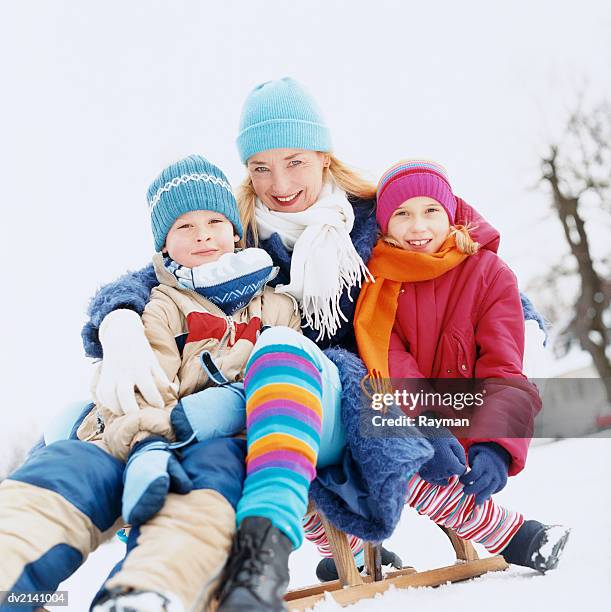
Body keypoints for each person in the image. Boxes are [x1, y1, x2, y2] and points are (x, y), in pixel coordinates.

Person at [65, 79, 543, 607]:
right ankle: (314, 547)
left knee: (373, 414)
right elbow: (158, 272)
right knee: (278, 420)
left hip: (387, 376)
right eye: (260, 168)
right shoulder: (240, 234)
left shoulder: (378, 212)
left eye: (294, 161)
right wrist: (119, 320)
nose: (280, 182)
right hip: (280, 378)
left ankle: (488, 525)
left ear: (323, 157)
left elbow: (465, 254)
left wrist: (519, 316)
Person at [0, 154, 325, 612]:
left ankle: (146, 593)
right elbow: (144, 384)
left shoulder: (278, 306)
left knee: (202, 490)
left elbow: (286, 381)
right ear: (165, 244)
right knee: (65, 472)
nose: (203, 235)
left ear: (236, 231)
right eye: (184, 227)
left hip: (221, 441)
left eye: (214, 221)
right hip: (131, 431)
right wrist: (154, 443)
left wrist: (211, 415)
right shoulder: (159, 304)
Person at [343, 159, 570, 573]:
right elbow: (392, 368)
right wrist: (424, 426)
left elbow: (503, 367)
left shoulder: (488, 274)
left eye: (430, 211)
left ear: (450, 213)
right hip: (413, 419)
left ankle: (504, 529)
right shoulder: (375, 286)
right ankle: (353, 551)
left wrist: (498, 446)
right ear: (384, 224)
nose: (418, 227)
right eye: (402, 214)